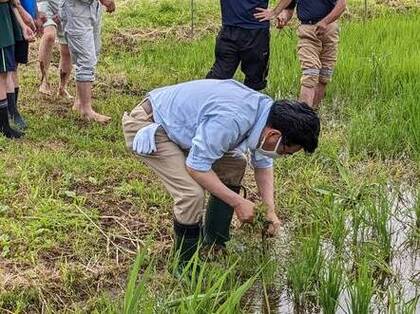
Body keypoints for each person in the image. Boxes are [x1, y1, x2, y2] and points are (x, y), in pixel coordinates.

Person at [122, 79, 320, 266]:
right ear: (274, 135)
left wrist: (269, 210)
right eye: (284, 151)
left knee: (234, 164)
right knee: (191, 194)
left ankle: (214, 244)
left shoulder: (266, 115)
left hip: (182, 127)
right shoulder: (232, 119)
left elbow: (262, 164)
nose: (282, 155)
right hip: (150, 125)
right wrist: (238, 202)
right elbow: (196, 167)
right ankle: (184, 264)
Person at [254, 0, 347, 108]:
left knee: (324, 75)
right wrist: (282, 17)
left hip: (330, 29)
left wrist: (325, 22)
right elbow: (289, 9)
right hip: (308, 30)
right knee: (310, 73)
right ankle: (302, 117)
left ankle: (313, 113)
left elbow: (342, 5)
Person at [59, 0, 115, 123]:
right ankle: (86, 110)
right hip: (76, 8)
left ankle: (79, 103)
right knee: (86, 59)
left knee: (93, 52)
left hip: (92, 6)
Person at [206, 0, 275, 91]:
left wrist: (275, 12)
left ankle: (250, 104)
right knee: (217, 78)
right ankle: (205, 100)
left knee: (254, 82)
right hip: (229, 31)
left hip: (256, 33)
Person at [7, 0, 44, 130]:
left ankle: (12, 110)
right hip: (10, 16)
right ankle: (10, 112)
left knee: (13, 66)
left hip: (22, 19)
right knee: (7, 68)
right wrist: (23, 13)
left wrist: (36, 14)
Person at [0, 0, 34, 138]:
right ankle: (4, 126)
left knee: (6, 72)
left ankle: (8, 119)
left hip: (6, 21)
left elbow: (12, 3)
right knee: (1, 75)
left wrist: (22, 25)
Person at [37, 0, 72, 99]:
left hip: (66, 4)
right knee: (49, 35)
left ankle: (62, 88)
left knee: (67, 48)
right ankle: (44, 81)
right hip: (44, 2)